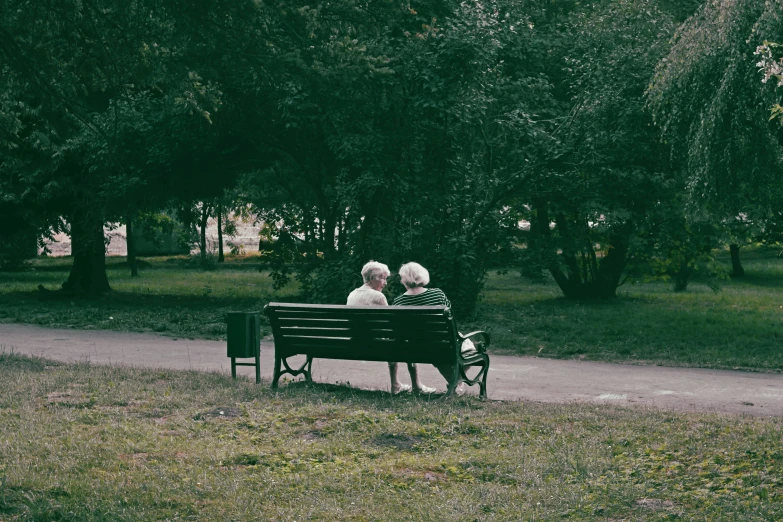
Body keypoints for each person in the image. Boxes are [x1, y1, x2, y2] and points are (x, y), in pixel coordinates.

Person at [346, 260, 436, 395]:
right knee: (405, 338)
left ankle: (397, 384)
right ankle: (411, 385)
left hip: (355, 343)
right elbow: (391, 324)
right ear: (372, 278)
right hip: (376, 345)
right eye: (383, 278)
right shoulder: (377, 296)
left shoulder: (352, 294)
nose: (385, 283)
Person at [392, 262, 469, 394]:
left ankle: (454, 383)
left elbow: (397, 330)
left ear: (404, 279)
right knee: (468, 348)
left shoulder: (398, 302)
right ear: (422, 275)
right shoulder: (437, 294)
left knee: (438, 354)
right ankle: (455, 383)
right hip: (442, 343)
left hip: (415, 347)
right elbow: (450, 317)